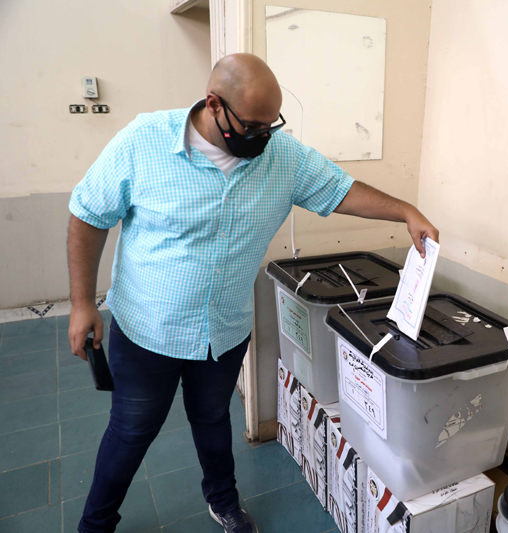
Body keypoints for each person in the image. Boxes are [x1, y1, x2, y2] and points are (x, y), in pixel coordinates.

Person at [67, 53, 438, 533]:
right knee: (131, 431)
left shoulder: (280, 155)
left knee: (213, 420)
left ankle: (223, 501)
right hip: (147, 331)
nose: (264, 137)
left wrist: (404, 210)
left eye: (271, 125)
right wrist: (81, 304)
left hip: (223, 331)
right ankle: (95, 524)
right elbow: (88, 215)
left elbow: (341, 190)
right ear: (213, 105)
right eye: (253, 127)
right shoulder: (144, 141)